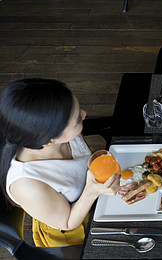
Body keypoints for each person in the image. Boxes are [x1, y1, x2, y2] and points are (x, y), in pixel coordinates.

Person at [0, 78, 120, 247]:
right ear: (49, 140)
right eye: (78, 119)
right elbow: (67, 222)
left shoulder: (58, 133)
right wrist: (91, 192)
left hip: (97, 200)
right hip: (71, 234)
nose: (84, 114)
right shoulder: (27, 184)